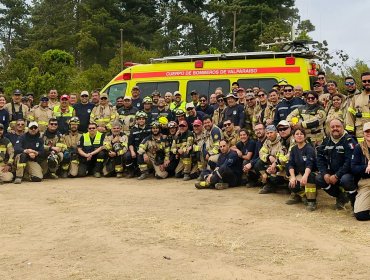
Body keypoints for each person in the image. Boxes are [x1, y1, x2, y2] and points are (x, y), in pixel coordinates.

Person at [316, 119, 356, 210]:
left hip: (347, 173)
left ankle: (355, 203)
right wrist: (324, 173)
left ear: (343, 127)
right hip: (332, 172)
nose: (335, 129)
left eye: (338, 126)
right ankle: (341, 196)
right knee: (319, 178)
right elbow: (320, 158)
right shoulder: (326, 141)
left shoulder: (349, 140)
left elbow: (349, 162)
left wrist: (337, 176)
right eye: (332, 127)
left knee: (346, 180)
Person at [286, 128, 317, 211]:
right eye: (297, 134)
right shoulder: (293, 149)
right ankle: (304, 196)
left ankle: (312, 201)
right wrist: (292, 177)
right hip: (300, 173)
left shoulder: (309, 148)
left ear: (305, 136)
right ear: (293, 136)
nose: (299, 135)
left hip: (312, 173)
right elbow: (291, 164)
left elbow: (309, 164)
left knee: (310, 176)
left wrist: (305, 176)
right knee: (291, 184)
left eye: (301, 134)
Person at [256, 125, 289, 194]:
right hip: (272, 162)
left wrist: (275, 165)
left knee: (274, 177)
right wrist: (268, 157)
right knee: (258, 163)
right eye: (267, 133)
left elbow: (282, 156)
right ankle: (268, 185)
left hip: (281, 164)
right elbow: (261, 153)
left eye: (271, 132)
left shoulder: (281, 140)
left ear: (276, 132)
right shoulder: (267, 141)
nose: (269, 135)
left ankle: (284, 186)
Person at [351, 122, 370, 221]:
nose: (369, 133)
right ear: (363, 133)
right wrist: (366, 167)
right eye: (367, 131)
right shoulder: (358, 148)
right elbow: (354, 168)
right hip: (365, 183)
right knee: (360, 215)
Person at [346, 72, 370, 142]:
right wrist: (350, 132)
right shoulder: (356, 98)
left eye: (369, 81)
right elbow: (350, 115)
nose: (367, 83)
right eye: (364, 81)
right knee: (362, 152)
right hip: (361, 135)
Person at [125, 111, 151, 178]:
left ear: (145, 120)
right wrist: (132, 151)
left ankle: (145, 171)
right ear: (137, 120)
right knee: (127, 156)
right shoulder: (133, 130)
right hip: (135, 149)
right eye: (139, 119)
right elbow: (130, 143)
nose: (141, 120)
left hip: (147, 150)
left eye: (143, 119)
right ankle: (131, 171)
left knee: (141, 154)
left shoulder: (149, 129)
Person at [243, 123, 266, 187]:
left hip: (266, 160)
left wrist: (251, 164)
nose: (258, 131)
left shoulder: (267, 141)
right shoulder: (258, 142)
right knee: (246, 162)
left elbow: (262, 156)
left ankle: (267, 183)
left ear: (265, 130)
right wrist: (249, 163)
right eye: (256, 130)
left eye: (260, 129)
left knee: (257, 164)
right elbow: (256, 155)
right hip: (258, 160)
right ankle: (254, 181)